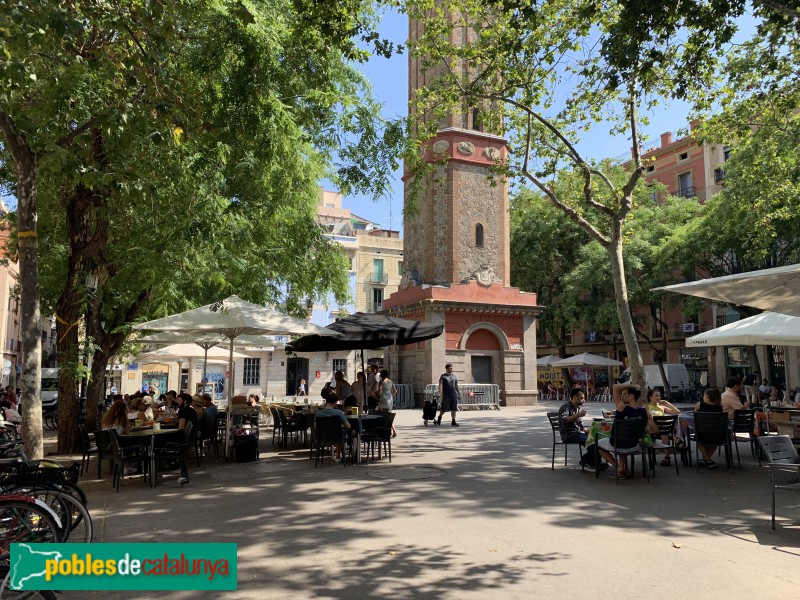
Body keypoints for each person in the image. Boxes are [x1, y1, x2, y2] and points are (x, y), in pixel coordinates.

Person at [597, 384, 654, 479]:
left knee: (598, 445)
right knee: (625, 439)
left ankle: (618, 466)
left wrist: (633, 385)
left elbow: (615, 387)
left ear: (631, 397)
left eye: (624, 394)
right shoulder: (644, 412)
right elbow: (655, 430)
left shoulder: (622, 408)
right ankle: (621, 467)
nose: (621, 396)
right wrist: (643, 431)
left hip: (617, 443)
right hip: (633, 445)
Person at [558, 388, 607, 470]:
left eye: (584, 398)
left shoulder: (577, 408)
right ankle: (587, 461)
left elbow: (580, 424)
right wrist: (578, 415)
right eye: (581, 398)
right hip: (569, 435)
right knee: (593, 442)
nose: (584, 400)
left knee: (596, 439)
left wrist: (586, 429)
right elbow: (565, 419)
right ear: (574, 397)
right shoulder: (566, 407)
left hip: (578, 433)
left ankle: (593, 463)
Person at [645, 389, 681, 466]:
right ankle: (677, 441)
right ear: (650, 397)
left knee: (665, 432)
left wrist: (667, 403)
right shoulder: (646, 407)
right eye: (656, 396)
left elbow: (677, 412)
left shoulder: (662, 407)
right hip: (652, 431)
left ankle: (666, 457)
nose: (659, 397)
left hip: (663, 431)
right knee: (666, 429)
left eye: (659, 395)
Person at [314, 392, 352, 459]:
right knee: (342, 432)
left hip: (322, 438)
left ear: (326, 401)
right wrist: (341, 426)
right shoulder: (339, 413)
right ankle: (338, 455)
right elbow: (348, 426)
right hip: (337, 438)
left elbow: (315, 427)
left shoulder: (317, 414)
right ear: (335, 402)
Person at [694, 387, 724, 468]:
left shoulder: (700, 405)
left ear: (707, 396)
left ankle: (707, 460)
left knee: (698, 441)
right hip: (716, 435)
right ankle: (707, 459)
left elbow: (695, 416)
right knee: (715, 443)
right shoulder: (719, 408)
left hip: (702, 434)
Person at [378, 369, 398, 437]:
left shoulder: (381, 382)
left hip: (383, 400)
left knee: (384, 416)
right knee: (389, 415)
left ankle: (389, 430)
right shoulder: (390, 381)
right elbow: (395, 391)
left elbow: (379, 392)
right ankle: (393, 431)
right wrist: (390, 395)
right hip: (390, 400)